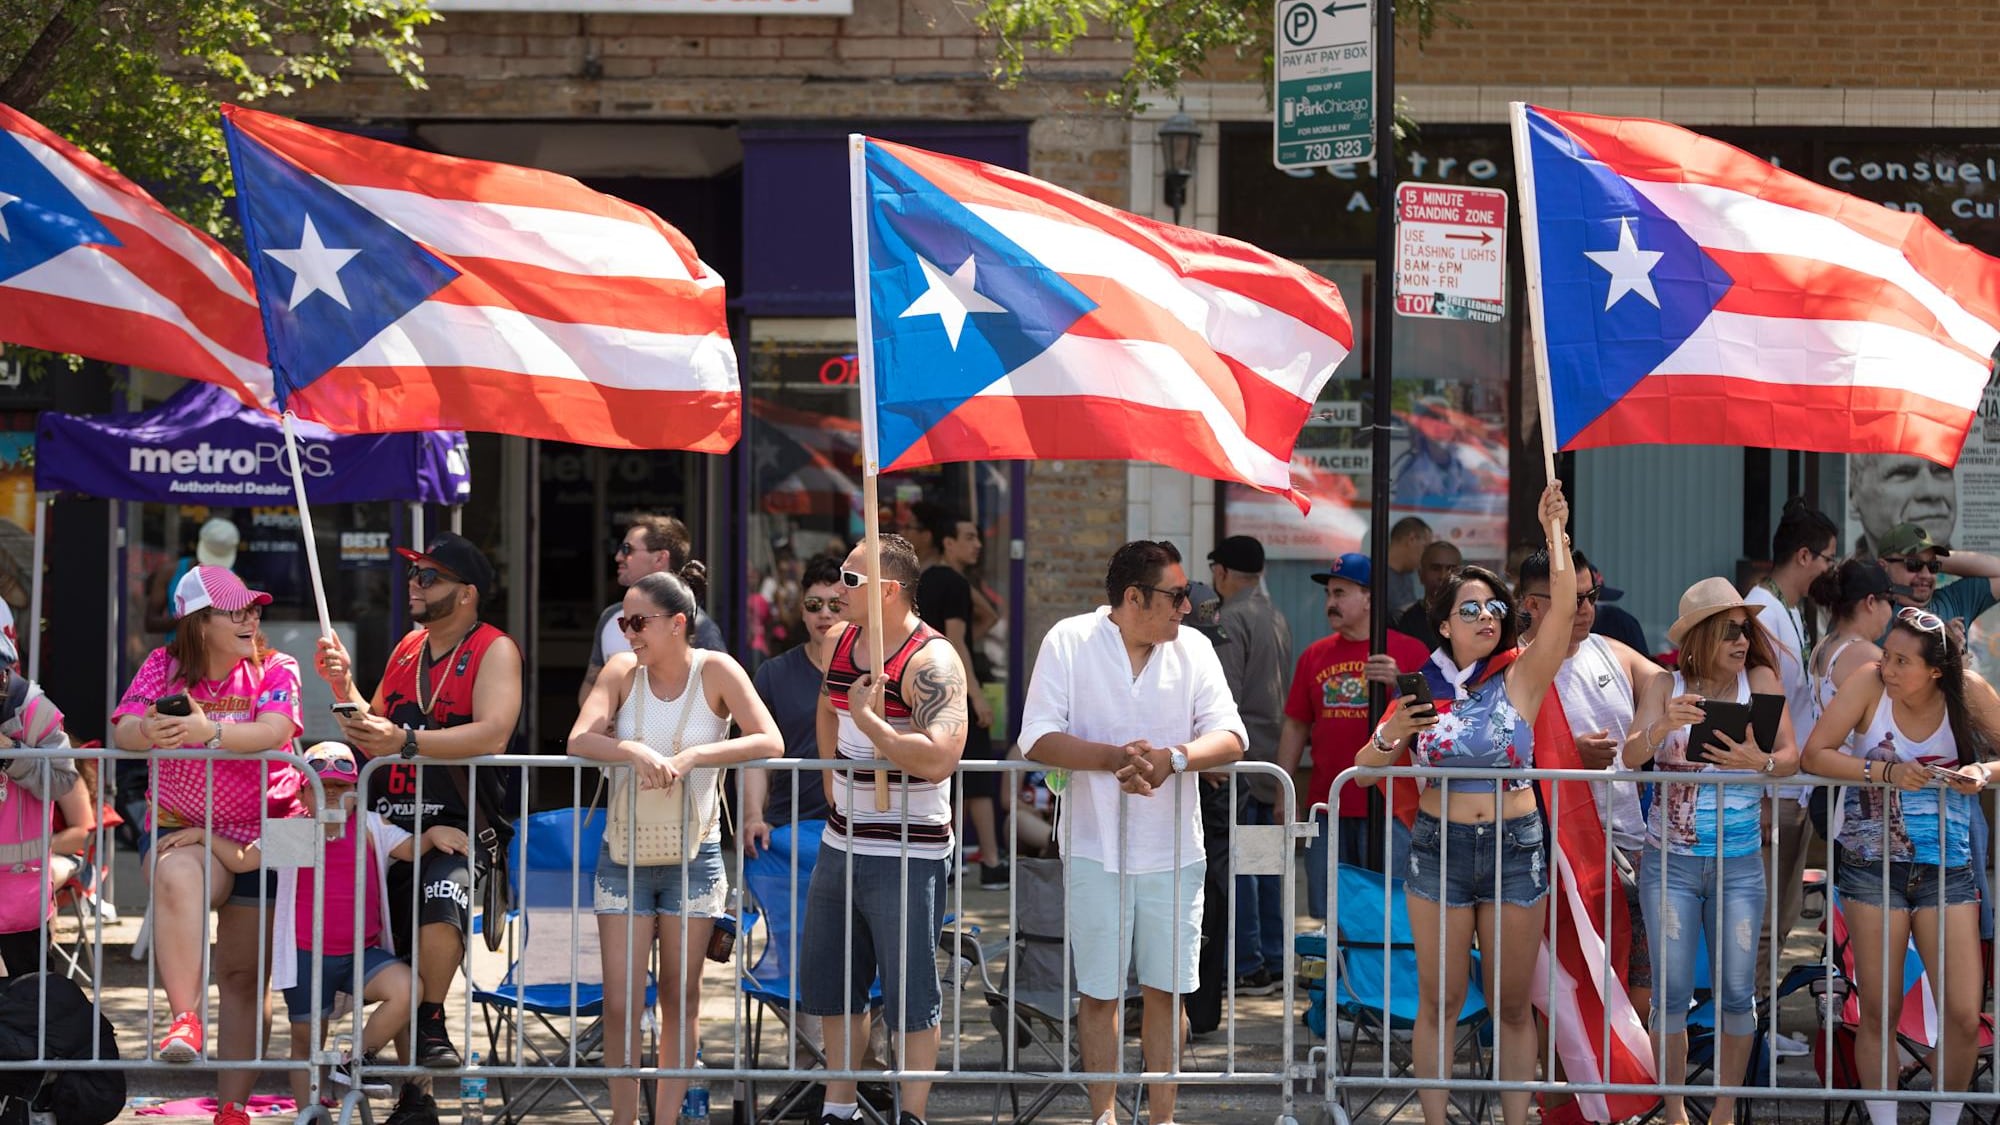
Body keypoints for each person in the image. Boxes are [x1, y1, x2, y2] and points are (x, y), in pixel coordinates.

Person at [1363, 482, 1572, 1125]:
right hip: (1437, 850)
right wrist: (1389, 735)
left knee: (1512, 1004)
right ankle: (1433, 1120)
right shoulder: (1419, 688)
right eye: (1472, 608)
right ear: (1445, 623)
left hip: (1515, 849)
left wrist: (1554, 532)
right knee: (1440, 999)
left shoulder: (1521, 676)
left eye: (1495, 609)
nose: (1488, 618)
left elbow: (1562, 607)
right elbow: (1364, 775)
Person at [1020, 539, 1246, 1125]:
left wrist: (1171, 759)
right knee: (1098, 992)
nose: (1187, 607)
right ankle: (1104, 1117)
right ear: (1132, 597)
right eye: (1176, 596)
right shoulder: (1068, 640)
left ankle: (1162, 1119)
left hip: (1175, 850)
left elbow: (1232, 736)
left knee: (1168, 995)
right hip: (1094, 847)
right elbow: (1036, 736)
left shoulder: (1193, 649)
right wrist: (1113, 758)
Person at [315, 532, 523, 1125]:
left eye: (429, 577)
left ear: (466, 594)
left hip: (458, 823)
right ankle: (417, 1095)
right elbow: (372, 728)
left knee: (443, 899)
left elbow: (493, 734)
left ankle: (430, 1020)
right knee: (401, 955)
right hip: (393, 823)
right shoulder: (408, 647)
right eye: (413, 575)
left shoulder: (494, 649)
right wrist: (342, 688)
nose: (414, 584)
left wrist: (407, 741)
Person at [569, 564, 782, 1125]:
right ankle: (623, 1118)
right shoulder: (620, 671)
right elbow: (579, 737)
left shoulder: (717, 670)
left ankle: (663, 1119)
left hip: (695, 853)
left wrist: (693, 757)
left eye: (637, 620)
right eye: (622, 619)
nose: (627, 630)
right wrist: (634, 752)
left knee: (679, 999)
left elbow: (769, 738)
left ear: (676, 623)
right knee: (618, 1001)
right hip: (624, 851)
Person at [110, 566, 304, 1125]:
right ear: (198, 622)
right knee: (175, 873)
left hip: (278, 830)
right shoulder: (163, 666)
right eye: (236, 610)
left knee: (247, 976)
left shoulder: (277, 666)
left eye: (253, 608)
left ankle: (233, 1109)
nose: (251, 617)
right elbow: (122, 728)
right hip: (187, 829)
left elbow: (274, 731)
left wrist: (208, 733)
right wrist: (148, 730)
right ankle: (185, 1020)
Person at [164, 742, 439, 1113]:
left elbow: (411, 848)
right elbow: (244, 860)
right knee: (306, 1042)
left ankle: (354, 1058)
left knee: (408, 988)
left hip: (363, 953)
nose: (334, 797)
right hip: (307, 957)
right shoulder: (298, 832)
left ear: (358, 794)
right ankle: (309, 1111)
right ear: (302, 794)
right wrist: (203, 836)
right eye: (322, 789)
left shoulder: (372, 826)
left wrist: (435, 836)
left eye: (343, 789)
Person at [1803, 608, 1999, 1125]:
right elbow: (1815, 754)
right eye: (1886, 654)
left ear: (1936, 670)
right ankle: (1885, 1120)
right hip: (1872, 866)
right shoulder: (1868, 687)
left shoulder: (1970, 690)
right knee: (1880, 1010)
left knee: (1961, 1012)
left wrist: (1983, 770)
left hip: (1949, 867)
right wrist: (1882, 770)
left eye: (1900, 661)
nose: (1885, 667)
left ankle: (1946, 1117)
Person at [1623, 577, 1802, 1125]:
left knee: (1735, 994)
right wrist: (1661, 728)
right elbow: (1631, 756)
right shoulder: (1664, 683)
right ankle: (1675, 1113)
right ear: (1700, 637)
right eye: (1729, 632)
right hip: (1669, 865)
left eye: (1745, 631)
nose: (1742, 641)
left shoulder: (1762, 679)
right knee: (1671, 995)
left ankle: (1724, 1113)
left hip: (1741, 865)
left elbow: (1792, 755)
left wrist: (1761, 763)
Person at [802, 534, 967, 1125]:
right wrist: (830, 774)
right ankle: (839, 1106)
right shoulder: (843, 640)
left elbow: (941, 756)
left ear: (889, 590)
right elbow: (828, 703)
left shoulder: (933, 659)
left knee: (911, 994)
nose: (836, 590)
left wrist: (872, 722)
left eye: (851, 580)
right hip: (841, 840)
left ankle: (912, 1114)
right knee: (835, 983)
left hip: (908, 849)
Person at [1516, 548, 1664, 1018]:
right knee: (1561, 994)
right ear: (1531, 604)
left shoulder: (1609, 649)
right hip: (1554, 852)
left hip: (1627, 847)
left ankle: (1624, 1090)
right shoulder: (1516, 665)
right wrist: (1567, 756)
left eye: (1589, 596)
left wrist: (1642, 732)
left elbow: (1661, 679)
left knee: (1639, 988)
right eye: (1568, 598)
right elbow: (1500, 752)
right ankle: (1561, 1093)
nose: (1582, 609)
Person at [1276, 552, 1431, 915]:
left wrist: (1400, 682)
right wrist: (1286, 789)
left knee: (1392, 907)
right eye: (1329, 594)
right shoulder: (1314, 655)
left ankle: (1385, 974)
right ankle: (1333, 972)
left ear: (1370, 598)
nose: (1331, 603)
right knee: (1328, 909)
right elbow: (1297, 723)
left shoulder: (1409, 651)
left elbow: (1435, 719)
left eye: (1340, 593)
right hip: (1328, 803)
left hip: (1394, 806)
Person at [1742, 497, 1839, 1048]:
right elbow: (1763, 710)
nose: (1830, 568)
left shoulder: (1787, 610)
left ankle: (1757, 1024)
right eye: (1826, 557)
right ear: (1804, 556)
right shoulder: (1761, 610)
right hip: (1771, 790)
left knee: (1779, 918)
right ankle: (1750, 1031)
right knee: (1761, 920)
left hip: (1791, 787)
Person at [1205, 534, 1292, 994]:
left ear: (1220, 573)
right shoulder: (1274, 614)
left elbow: (1225, 700)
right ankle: (1273, 959)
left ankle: (1247, 964)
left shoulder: (1230, 619)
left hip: (1241, 762)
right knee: (1263, 866)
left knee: (1240, 868)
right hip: (1270, 759)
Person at [912, 504, 1003, 886]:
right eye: (968, 537)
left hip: (923, 683)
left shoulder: (928, 579)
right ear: (947, 542)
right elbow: (958, 641)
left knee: (940, 773)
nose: (978, 544)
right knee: (978, 781)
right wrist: (977, 697)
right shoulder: (951, 583)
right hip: (956, 686)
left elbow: (988, 616)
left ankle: (949, 857)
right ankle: (993, 863)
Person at [745, 553, 847, 855]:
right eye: (814, 605)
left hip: (861, 829)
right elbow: (754, 757)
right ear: (802, 611)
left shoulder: (876, 672)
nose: (824, 614)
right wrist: (753, 818)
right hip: (788, 828)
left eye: (835, 605)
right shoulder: (773, 674)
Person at [0, 639, 87, 979]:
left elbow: (64, 782)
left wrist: (13, 754)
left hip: (22, 881)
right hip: (23, 881)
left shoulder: (38, 712)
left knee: (30, 987)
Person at [581, 515, 725, 706]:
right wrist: (603, 723)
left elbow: (722, 703)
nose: (618, 557)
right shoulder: (610, 617)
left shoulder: (699, 626)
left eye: (627, 549)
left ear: (660, 558)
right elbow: (590, 687)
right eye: (626, 624)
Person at [1850, 453, 1955, 559]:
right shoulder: (1843, 574)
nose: (1931, 491)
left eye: (1941, 471)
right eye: (1903, 473)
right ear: (1853, 496)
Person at [1394, 539, 1463, 640]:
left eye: (1452, 569)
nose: (1443, 576)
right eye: (1435, 568)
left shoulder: (1471, 617)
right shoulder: (1406, 620)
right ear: (1421, 575)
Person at [1386, 516, 1434, 615]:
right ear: (1411, 539)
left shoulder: (1409, 577)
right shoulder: (1372, 576)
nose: (1427, 556)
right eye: (1425, 547)